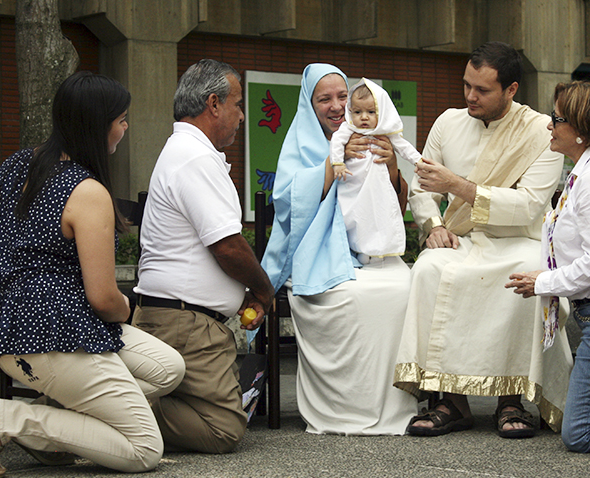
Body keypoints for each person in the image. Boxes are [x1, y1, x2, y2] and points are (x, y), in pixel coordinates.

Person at [0, 71, 185, 477]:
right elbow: (103, 299)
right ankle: (6, 419)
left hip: (8, 329)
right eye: (121, 119)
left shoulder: (11, 166)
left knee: (168, 368)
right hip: (55, 337)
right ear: (97, 126)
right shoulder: (86, 191)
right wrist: (126, 308)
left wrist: (18, 293)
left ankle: (55, 429)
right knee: (144, 449)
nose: (125, 128)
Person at [394, 41, 570, 438]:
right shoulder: (448, 123)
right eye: (466, 85)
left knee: (526, 273)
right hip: (461, 238)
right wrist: (432, 226)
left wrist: (458, 185)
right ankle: (451, 401)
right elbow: (423, 187)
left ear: (511, 90)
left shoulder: (541, 131)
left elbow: (528, 207)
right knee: (428, 269)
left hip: (518, 240)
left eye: (482, 90)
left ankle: (511, 400)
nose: (470, 96)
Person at [261, 63, 417, 435]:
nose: (336, 106)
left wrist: (392, 167)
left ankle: (395, 403)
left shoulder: (375, 134)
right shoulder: (299, 143)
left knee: (405, 287)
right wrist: (336, 161)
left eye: (343, 96)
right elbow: (287, 202)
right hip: (316, 252)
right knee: (351, 295)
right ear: (309, 104)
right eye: (324, 99)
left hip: (372, 251)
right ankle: (343, 407)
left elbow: (396, 209)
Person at [132, 59, 274, 454]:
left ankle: (115, 400)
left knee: (219, 421)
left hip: (183, 320)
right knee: (223, 428)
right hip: (185, 324)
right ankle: (111, 404)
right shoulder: (194, 157)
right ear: (213, 104)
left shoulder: (186, 152)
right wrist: (263, 290)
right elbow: (227, 246)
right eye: (238, 105)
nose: (242, 117)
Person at [505, 81, 590, 451]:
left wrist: (543, 282)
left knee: (579, 433)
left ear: (582, 129)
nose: (550, 125)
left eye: (557, 118)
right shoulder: (589, 170)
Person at [330, 78, 422, 258]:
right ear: (350, 111)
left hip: (377, 185)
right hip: (353, 184)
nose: (364, 117)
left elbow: (404, 147)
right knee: (351, 215)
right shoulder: (348, 129)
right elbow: (336, 142)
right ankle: (350, 249)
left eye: (371, 112)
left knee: (378, 216)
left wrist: (419, 161)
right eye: (358, 112)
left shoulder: (385, 133)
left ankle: (376, 251)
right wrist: (338, 163)